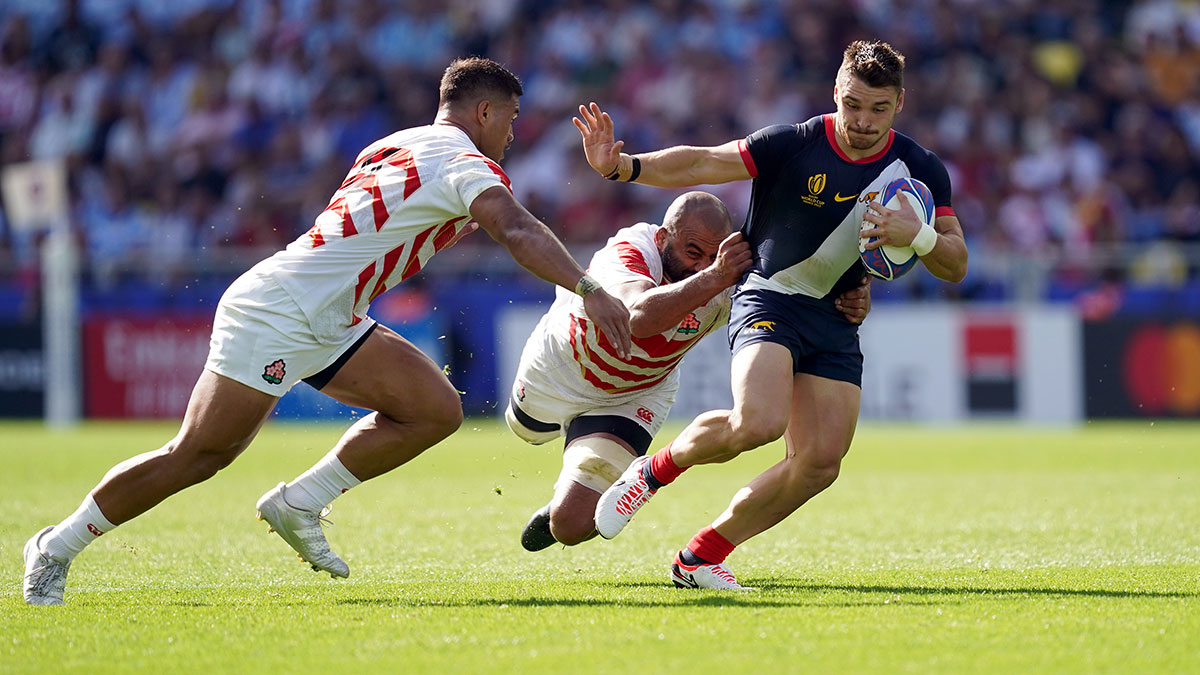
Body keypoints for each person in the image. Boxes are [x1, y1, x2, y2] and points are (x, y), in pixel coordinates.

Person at [22, 57, 632, 606]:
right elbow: (517, 230)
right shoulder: (463, 161)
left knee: (434, 409)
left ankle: (300, 502)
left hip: (327, 315)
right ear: (484, 111)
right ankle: (54, 547)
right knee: (202, 455)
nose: (513, 132)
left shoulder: (394, 143)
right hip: (281, 309)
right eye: (512, 118)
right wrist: (588, 287)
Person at [582, 40, 969, 589]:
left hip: (835, 319)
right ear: (836, 92)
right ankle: (653, 470)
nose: (862, 120)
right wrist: (622, 166)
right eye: (853, 104)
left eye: (878, 109)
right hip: (769, 297)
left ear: (899, 103)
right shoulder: (795, 143)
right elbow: (703, 161)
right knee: (757, 424)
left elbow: (955, 263)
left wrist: (921, 235)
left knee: (819, 465)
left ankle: (699, 557)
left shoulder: (922, 169)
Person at [508, 191, 871, 551]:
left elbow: (798, 294)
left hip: (634, 396)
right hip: (558, 371)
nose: (702, 264)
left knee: (571, 526)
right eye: (692, 253)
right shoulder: (632, 249)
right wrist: (715, 276)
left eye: (713, 256)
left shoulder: (730, 272)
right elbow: (638, 319)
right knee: (524, 429)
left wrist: (849, 299)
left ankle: (583, 498)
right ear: (664, 238)